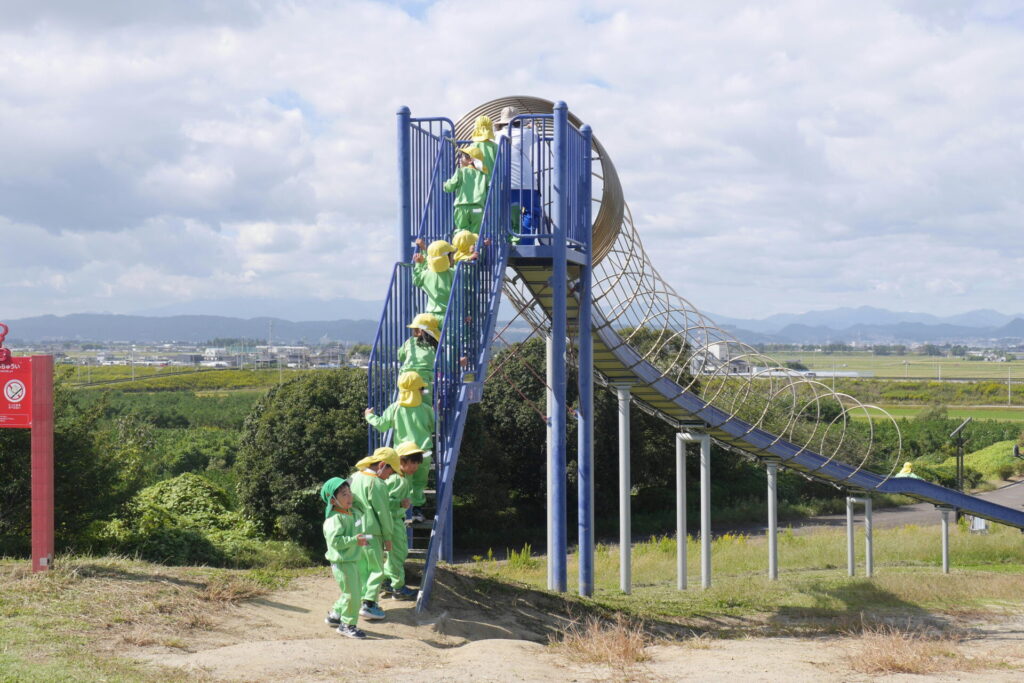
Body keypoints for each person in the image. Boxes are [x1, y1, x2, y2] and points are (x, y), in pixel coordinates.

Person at [364, 371, 435, 522]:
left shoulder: (395, 408)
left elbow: (382, 425)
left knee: (402, 484)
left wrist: (369, 416)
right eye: (421, 389)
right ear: (418, 390)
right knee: (419, 483)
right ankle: (417, 510)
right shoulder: (426, 409)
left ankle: (399, 513)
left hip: (402, 456)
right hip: (423, 454)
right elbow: (434, 426)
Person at [349, 447, 402, 621]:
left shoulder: (355, 477)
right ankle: (370, 604)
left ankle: (361, 601)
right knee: (377, 569)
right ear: (382, 465)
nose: (389, 476)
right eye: (390, 471)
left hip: (356, 531)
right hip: (373, 532)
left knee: (362, 567)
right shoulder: (377, 484)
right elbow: (383, 513)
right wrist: (388, 537)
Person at [320, 477, 369, 638]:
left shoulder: (351, 512)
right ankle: (347, 625)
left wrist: (351, 490)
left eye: (349, 493)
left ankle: (336, 615)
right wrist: (354, 540)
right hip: (342, 563)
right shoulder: (334, 519)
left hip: (351, 560)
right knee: (352, 594)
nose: (349, 497)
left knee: (354, 591)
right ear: (332, 501)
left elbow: (362, 507)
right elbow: (335, 542)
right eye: (344, 494)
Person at [381, 441, 425, 600]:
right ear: (400, 460)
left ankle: (386, 580)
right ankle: (398, 587)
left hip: (392, 521)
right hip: (393, 521)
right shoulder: (397, 480)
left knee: (394, 553)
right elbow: (383, 501)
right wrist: (400, 503)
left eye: (417, 463)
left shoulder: (398, 477)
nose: (415, 467)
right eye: (412, 462)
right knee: (399, 554)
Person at [494, 106, 542, 244]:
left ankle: (504, 241)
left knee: (503, 213)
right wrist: (532, 126)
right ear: (519, 122)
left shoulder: (496, 136)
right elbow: (537, 135)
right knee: (531, 211)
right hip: (526, 182)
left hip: (502, 183)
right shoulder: (526, 133)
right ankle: (526, 241)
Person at [443, 146, 489, 235]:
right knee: (476, 233)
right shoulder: (483, 175)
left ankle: (462, 244)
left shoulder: (461, 172)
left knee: (461, 231)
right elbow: (487, 190)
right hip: (478, 208)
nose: (460, 159)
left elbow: (450, 187)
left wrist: (445, 185)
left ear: (470, 160)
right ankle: (475, 244)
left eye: (462, 156)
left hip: (462, 207)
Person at [412, 239, 455, 319]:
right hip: (450, 315)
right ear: (446, 257)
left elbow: (416, 279)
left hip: (431, 316)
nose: (454, 258)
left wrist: (419, 264)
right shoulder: (453, 273)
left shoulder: (426, 274)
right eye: (452, 255)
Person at [400, 313, 440, 388]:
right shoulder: (435, 346)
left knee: (404, 394)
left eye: (414, 329)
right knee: (425, 394)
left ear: (419, 331)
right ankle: (425, 394)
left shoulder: (409, 342)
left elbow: (400, 356)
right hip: (424, 381)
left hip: (405, 378)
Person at [469, 114, 498, 180]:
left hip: (478, 182)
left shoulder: (473, 146)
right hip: (494, 183)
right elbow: (500, 166)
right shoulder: (495, 146)